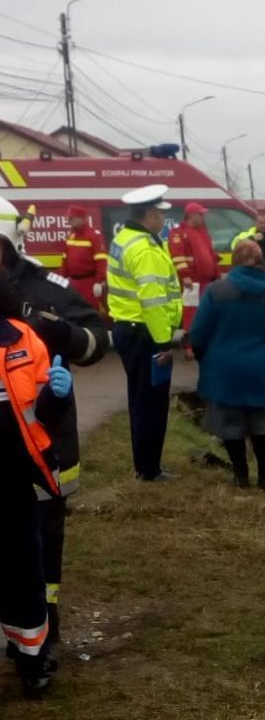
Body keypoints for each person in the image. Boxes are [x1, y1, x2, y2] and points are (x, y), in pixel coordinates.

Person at [0, 195, 108, 649]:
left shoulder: (49, 291)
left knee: (42, 543)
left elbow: (99, 341)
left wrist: (63, 333)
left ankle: (44, 633)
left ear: (9, 244)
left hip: (45, 447)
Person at [0, 268, 73, 698]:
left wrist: (56, 396)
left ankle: (29, 655)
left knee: (22, 569)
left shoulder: (25, 339)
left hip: (14, 479)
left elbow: (43, 415)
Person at [190, 239, 265, 490]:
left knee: (230, 425)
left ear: (234, 262)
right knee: (261, 424)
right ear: (262, 263)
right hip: (258, 369)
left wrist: (201, 356)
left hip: (224, 369)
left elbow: (198, 333)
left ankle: (240, 476)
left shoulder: (216, 292)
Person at [107, 184, 183, 482]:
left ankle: (144, 465)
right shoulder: (144, 248)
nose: (163, 220)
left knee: (139, 399)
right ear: (149, 214)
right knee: (151, 402)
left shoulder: (124, 238)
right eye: (160, 214)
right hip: (146, 334)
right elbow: (152, 302)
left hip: (129, 329)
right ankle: (149, 469)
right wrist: (164, 342)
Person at [167, 202, 219, 358]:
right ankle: (189, 346)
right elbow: (177, 256)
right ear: (191, 215)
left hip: (207, 281)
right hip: (192, 283)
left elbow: (210, 254)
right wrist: (186, 275)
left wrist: (215, 273)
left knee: (206, 313)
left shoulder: (203, 232)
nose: (203, 217)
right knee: (191, 314)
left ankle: (204, 342)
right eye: (200, 214)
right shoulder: (179, 233)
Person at [59, 205, 107, 313]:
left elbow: (101, 260)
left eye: (72, 218)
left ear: (83, 219)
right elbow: (65, 259)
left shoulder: (93, 236)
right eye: (69, 218)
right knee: (75, 310)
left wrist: (99, 282)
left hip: (89, 283)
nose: (69, 220)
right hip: (74, 283)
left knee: (90, 311)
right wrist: (63, 277)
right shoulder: (71, 236)